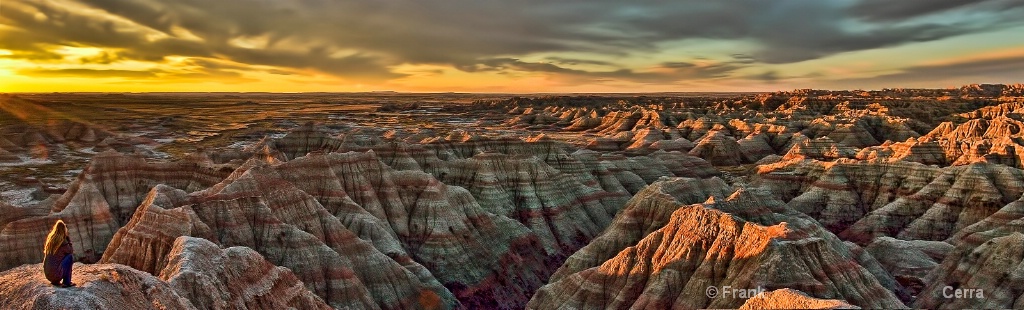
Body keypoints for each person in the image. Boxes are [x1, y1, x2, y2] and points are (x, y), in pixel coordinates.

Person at [42, 220, 76, 287]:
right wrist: (68, 240)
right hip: (56, 275)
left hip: (49, 276)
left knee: (59, 258)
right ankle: (67, 282)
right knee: (69, 257)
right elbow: (71, 251)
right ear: (64, 230)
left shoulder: (51, 240)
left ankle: (57, 280)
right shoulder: (62, 241)